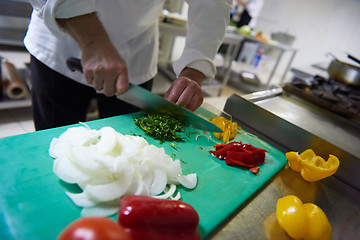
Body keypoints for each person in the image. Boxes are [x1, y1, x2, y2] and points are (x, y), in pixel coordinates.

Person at [24, 0, 232, 130]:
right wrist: (92, 41)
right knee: (55, 141)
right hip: (61, 44)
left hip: (135, 55)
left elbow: (213, 3)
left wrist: (195, 68)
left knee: (127, 149)